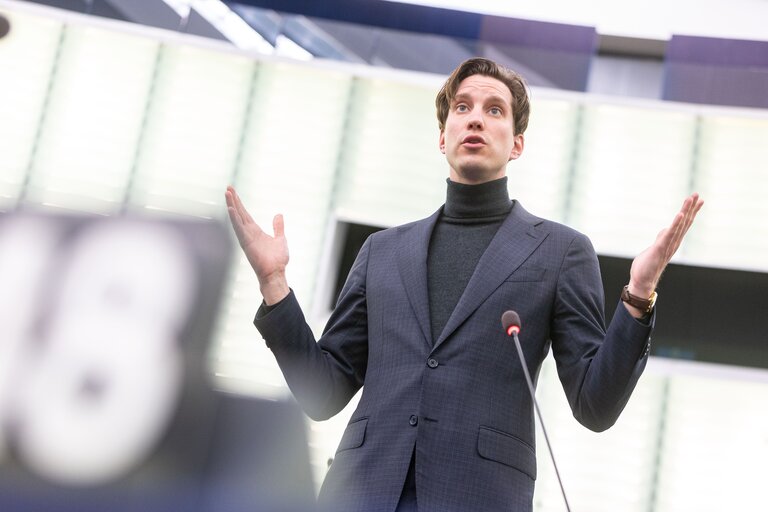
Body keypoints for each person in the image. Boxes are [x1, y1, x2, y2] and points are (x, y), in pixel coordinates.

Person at [225, 58, 703, 512]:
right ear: (443, 136)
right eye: (463, 107)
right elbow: (322, 392)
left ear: (516, 143)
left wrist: (638, 292)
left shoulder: (561, 251)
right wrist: (274, 283)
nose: (476, 118)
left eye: (494, 109)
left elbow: (595, 405)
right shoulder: (382, 251)